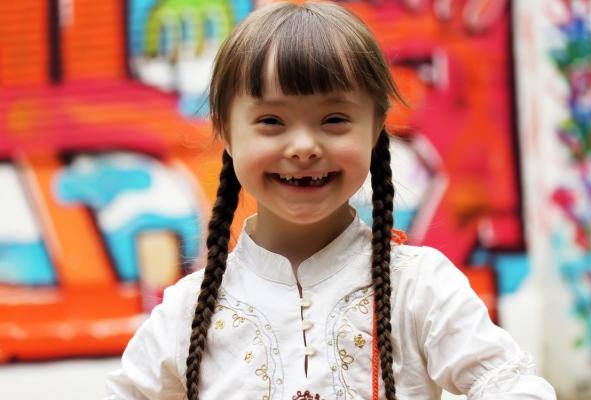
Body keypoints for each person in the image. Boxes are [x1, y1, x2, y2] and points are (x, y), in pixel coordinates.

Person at [105, 2, 556, 399]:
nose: (303, 145)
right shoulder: (187, 311)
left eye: (334, 118)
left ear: (377, 125)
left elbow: (510, 382)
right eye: (271, 121)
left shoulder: (421, 288)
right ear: (224, 130)